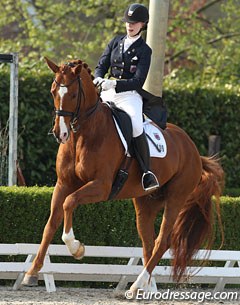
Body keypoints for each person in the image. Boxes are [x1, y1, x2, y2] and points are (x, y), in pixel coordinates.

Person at [93, 3, 159, 192]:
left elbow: (138, 80)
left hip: (129, 95)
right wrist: (98, 78)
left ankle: (147, 172)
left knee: (137, 126)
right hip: (107, 91)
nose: (130, 25)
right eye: (128, 22)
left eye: (135, 22)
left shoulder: (144, 50)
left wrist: (114, 83)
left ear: (143, 24)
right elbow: (101, 65)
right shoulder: (115, 42)